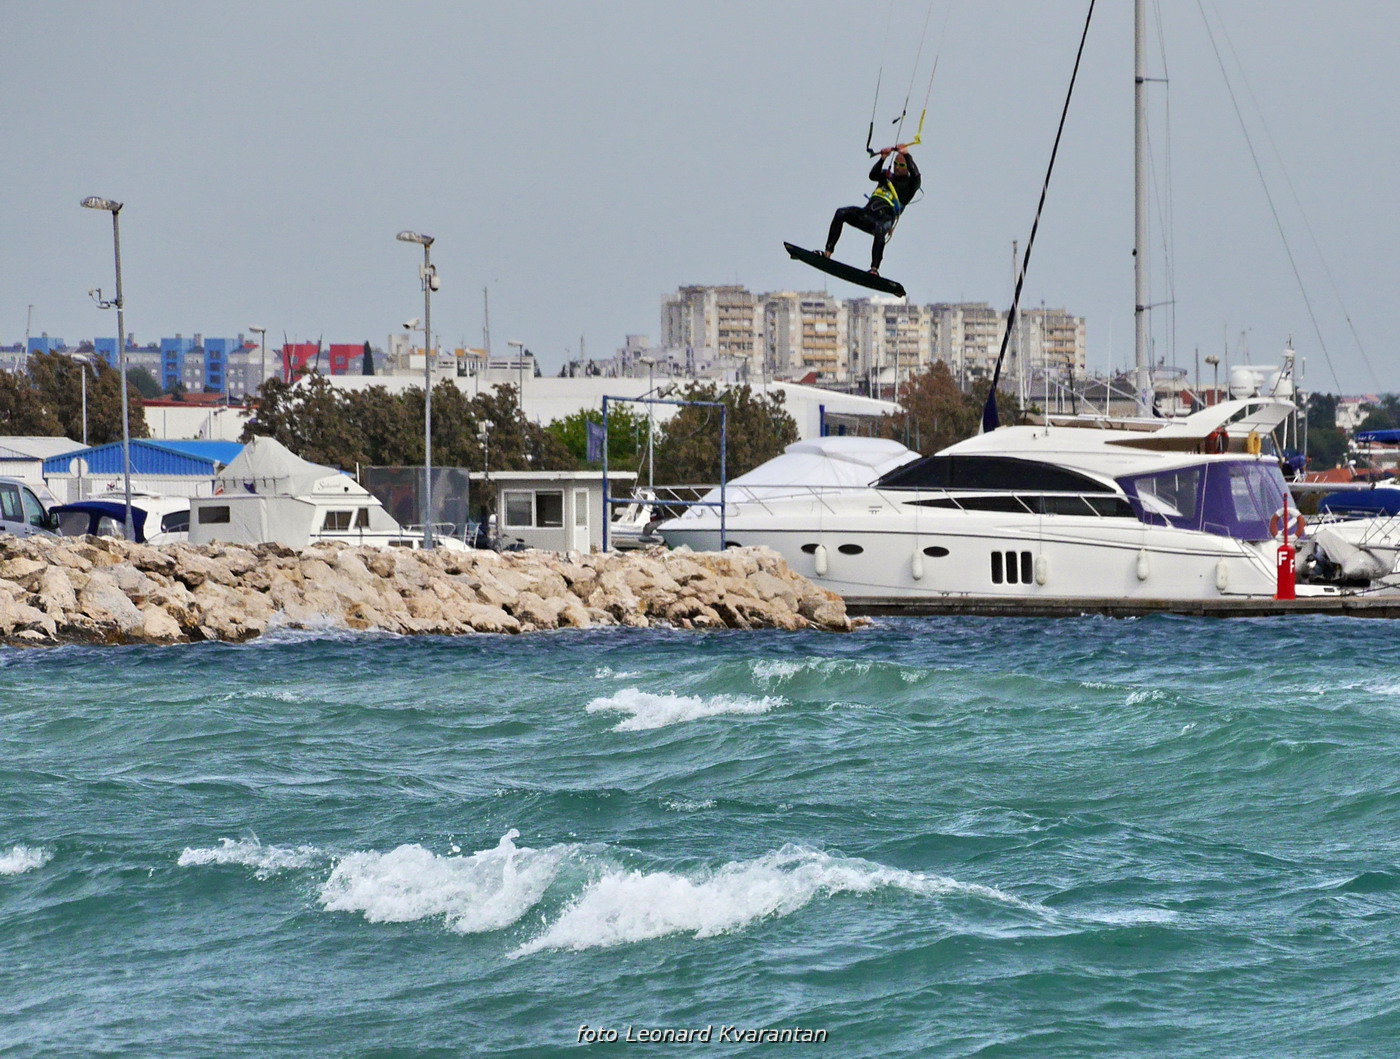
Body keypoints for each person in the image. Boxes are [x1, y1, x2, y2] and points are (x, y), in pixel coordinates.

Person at [820, 144, 921, 276]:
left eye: (901, 165)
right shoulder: (886, 176)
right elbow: (872, 175)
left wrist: (907, 155)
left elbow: (916, 176)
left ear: (907, 167)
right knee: (841, 213)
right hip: (867, 215)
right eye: (895, 163)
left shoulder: (910, 185)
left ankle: (874, 269)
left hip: (884, 220)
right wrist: (883, 158)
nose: (897, 167)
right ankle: (827, 253)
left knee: (880, 228)